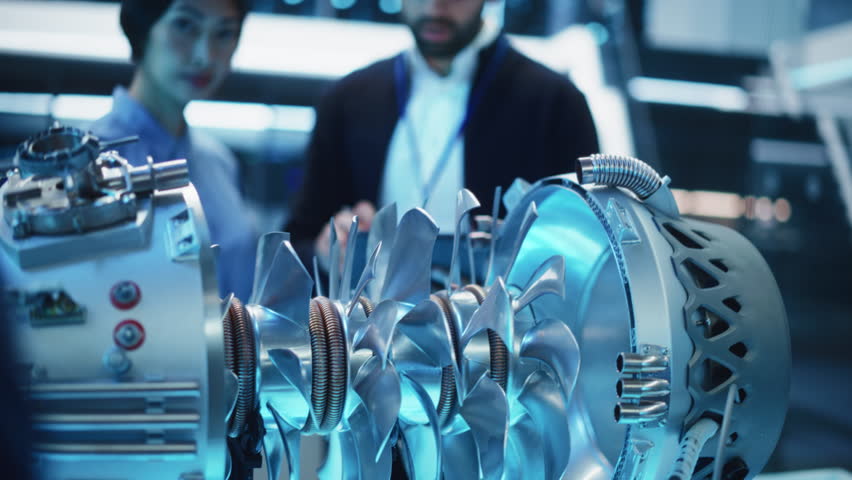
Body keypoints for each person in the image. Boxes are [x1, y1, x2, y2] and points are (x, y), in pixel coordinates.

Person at [285, 0, 599, 267]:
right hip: (368, 329)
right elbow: (298, 240)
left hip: (502, 334)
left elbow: (585, 247)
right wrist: (327, 250)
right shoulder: (347, 99)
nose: (434, 7)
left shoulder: (555, 103)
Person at [90, 0, 257, 300]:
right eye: (184, 25)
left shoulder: (219, 162)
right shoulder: (88, 165)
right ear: (142, 30)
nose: (204, 56)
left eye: (224, 33)